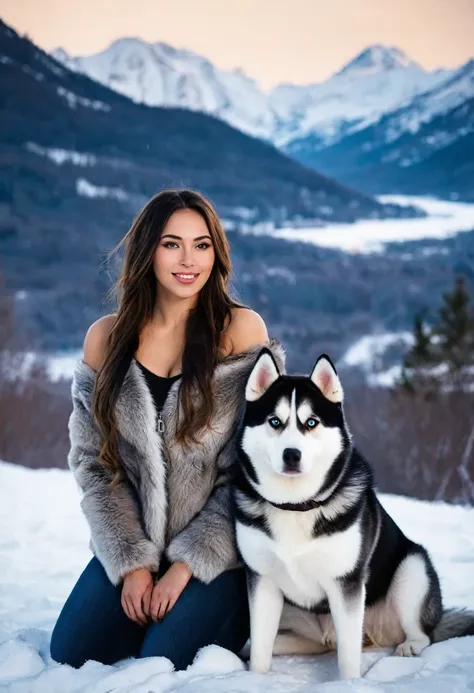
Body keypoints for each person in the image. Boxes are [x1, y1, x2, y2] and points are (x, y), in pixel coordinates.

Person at [49, 188, 285, 671]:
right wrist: (131, 562)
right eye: (171, 243)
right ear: (147, 251)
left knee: (160, 658)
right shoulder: (106, 339)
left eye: (202, 245)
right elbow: (95, 465)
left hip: (223, 556)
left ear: (216, 253)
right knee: (71, 652)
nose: (188, 260)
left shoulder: (241, 331)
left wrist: (186, 565)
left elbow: (257, 466)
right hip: (136, 543)